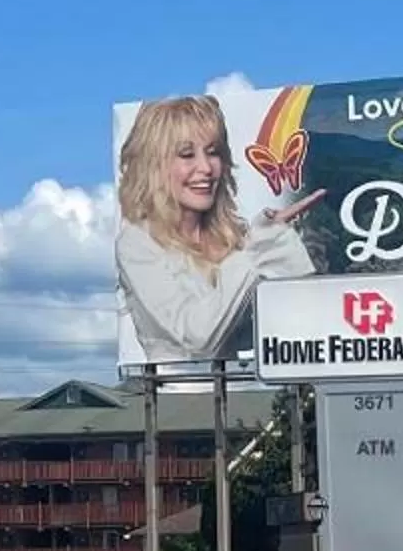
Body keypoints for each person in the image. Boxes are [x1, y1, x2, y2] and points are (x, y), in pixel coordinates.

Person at [115, 93, 325, 365]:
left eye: (213, 152)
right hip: (173, 400)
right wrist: (258, 250)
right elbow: (199, 339)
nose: (205, 168)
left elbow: (295, 324)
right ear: (153, 165)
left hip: (246, 395)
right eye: (186, 155)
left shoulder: (233, 239)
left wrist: (282, 245)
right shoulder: (138, 242)